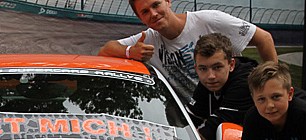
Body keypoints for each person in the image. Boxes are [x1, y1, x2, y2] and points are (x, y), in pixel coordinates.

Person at [98, 0, 277, 102]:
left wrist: (273, 85)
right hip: (193, 116)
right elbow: (104, 51)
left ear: (168, 2)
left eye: (156, 4)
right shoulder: (148, 40)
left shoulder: (209, 20)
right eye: (145, 12)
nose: (153, 14)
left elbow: (264, 39)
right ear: (140, 18)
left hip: (233, 103)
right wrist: (130, 52)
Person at [186, 32, 257, 140]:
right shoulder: (209, 82)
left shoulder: (246, 81)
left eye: (217, 67)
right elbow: (189, 119)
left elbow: (206, 137)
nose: (211, 76)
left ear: (231, 65)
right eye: (203, 68)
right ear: (196, 68)